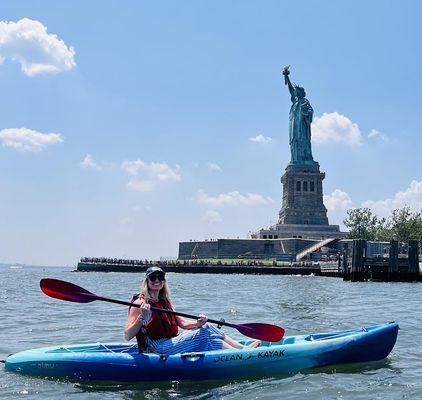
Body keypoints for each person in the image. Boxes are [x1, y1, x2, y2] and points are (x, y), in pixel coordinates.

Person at [125, 267, 260, 354]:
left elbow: (182, 323)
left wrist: (198, 323)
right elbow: (128, 335)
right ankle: (242, 354)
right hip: (156, 348)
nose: (157, 281)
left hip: (170, 341)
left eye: (160, 278)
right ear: (147, 281)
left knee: (206, 327)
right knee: (204, 334)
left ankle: (242, 351)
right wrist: (141, 317)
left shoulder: (164, 301)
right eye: (153, 278)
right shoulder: (140, 303)